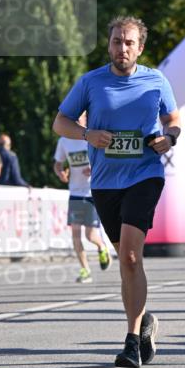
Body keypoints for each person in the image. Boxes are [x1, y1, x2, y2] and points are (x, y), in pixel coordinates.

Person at [53, 15, 179, 368]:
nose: (121, 48)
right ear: (108, 45)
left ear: (140, 47)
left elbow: (174, 119)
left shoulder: (156, 80)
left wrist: (169, 139)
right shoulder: (91, 82)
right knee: (126, 261)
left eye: (128, 43)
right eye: (115, 42)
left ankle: (131, 342)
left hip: (144, 175)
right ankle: (145, 320)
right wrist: (85, 134)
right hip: (105, 182)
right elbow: (60, 121)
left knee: (130, 257)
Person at [53, 114, 111, 283]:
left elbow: (107, 160)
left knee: (90, 235)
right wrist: (60, 172)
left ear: (86, 119)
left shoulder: (93, 138)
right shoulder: (64, 141)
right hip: (76, 192)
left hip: (93, 192)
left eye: (81, 118)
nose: (78, 121)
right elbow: (57, 163)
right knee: (76, 234)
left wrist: (94, 169)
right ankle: (85, 270)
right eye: (75, 118)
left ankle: (102, 247)